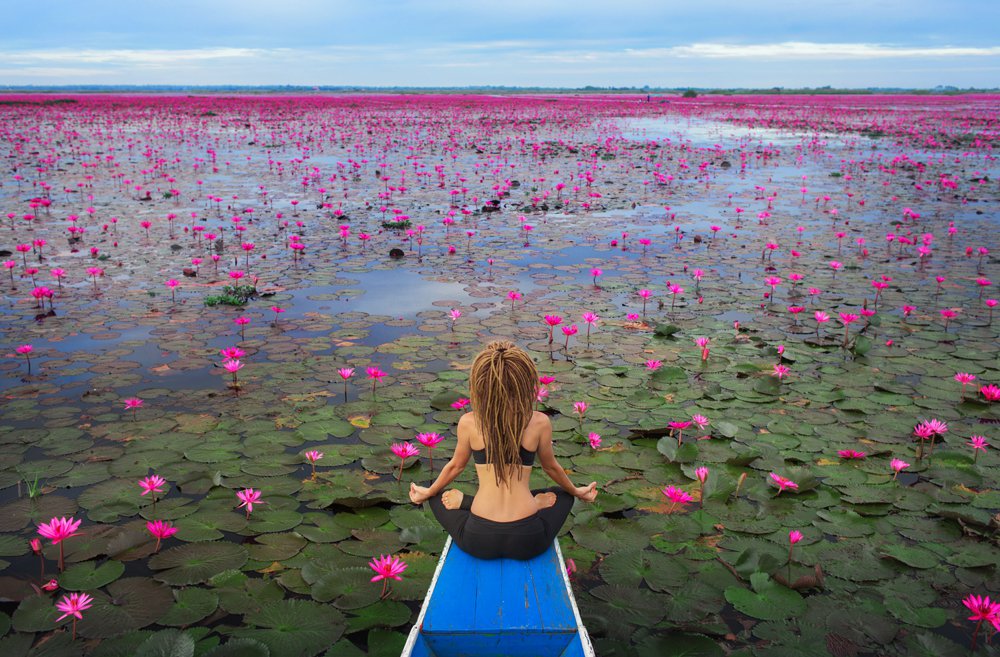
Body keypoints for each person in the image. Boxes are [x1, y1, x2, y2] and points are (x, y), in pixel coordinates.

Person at [409, 340, 598, 560]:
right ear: (525, 383)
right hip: (529, 540)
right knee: (563, 495)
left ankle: (469, 502)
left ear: (480, 386)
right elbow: (552, 468)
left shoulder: (469, 422)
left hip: (478, 539)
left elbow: (456, 466)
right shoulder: (539, 422)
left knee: (436, 496)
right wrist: (577, 491)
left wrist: (429, 492)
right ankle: (533, 502)